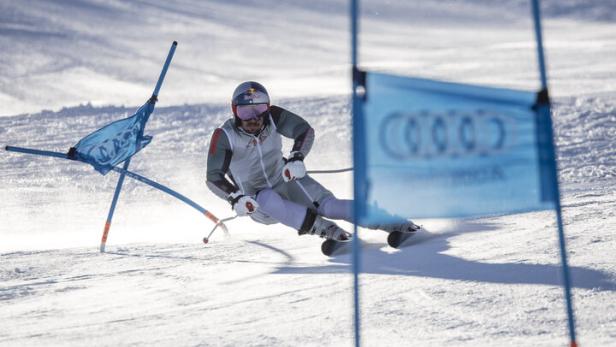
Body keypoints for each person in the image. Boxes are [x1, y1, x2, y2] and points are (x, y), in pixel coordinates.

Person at [206, 81, 419, 241]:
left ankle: (391, 221)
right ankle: (326, 229)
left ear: (267, 108)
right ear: (235, 111)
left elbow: (303, 130)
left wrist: (296, 157)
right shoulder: (225, 135)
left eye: (259, 110)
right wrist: (235, 198)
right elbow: (213, 176)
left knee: (330, 206)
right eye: (245, 111)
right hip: (257, 202)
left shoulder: (274, 118)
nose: (252, 118)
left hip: (285, 180)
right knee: (268, 197)